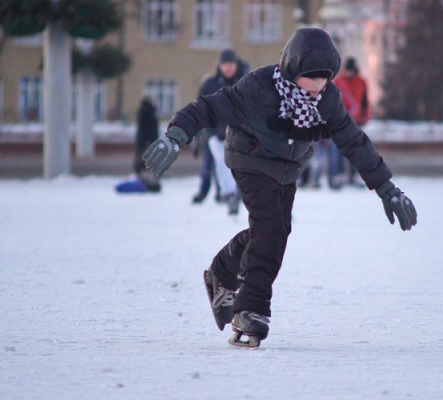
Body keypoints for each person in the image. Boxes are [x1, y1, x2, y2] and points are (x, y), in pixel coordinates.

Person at [142, 28, 417, 348]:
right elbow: (209, 108)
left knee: (274, 230)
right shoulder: (258, 87)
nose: (316, 89)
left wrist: (386, 187)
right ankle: (250, 310)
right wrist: (176, 134)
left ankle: (221, 271)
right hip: (250, 160)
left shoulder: (327, 98)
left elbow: (353, 140)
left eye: (323, 80)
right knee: (270, 228)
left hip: (287, 168)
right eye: (310, 80)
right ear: (292, 69)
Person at [193, 49, 249, 214]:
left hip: (239, 133)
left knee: (240, 166)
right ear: (220, 65)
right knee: (221, 160)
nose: (228, 68)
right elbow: (199, 110)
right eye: (225, 64)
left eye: (231, 64)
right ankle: (229, 194)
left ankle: (235, 194)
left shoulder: (244, 83)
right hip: (214, 134)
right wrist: (196, 138)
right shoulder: (210, 84)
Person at [334, 57, 372, 187]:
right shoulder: (339, 82)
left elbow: (365, 101)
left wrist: (365, 116)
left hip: (357, 122)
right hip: (341, 122)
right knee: (340, 149)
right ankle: (339, 175)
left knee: (356, 150)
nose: (349, 73)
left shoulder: (361, 82)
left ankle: (353, 176)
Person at [132, 96, 161, 192]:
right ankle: (151, 184)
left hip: (144, 143)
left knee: (143, 165)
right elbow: (152, 131)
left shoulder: (143, 113)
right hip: (150, 143)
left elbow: (141, 132)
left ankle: (145, 183)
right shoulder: (151, 113)